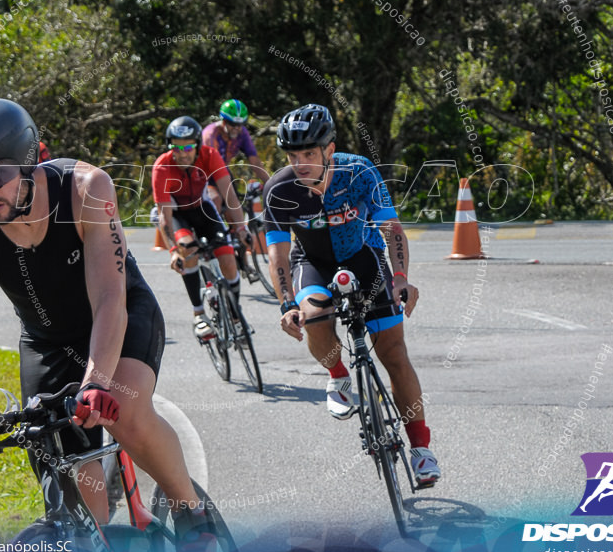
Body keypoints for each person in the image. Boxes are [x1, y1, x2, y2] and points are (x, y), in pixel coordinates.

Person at [0, 98, 216, 545]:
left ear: (30, 160)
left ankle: (192, 510)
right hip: (46, 340)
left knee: (125, 413)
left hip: (119, 315)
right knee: (74, 499)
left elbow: (110, 298)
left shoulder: (88, 187)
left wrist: (96, 382)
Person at [262, 104, 441, 486]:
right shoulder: (279, 189)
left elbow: (391, 227)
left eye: (309, 154)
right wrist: (286, 303)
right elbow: (276, 251)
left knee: (394, 353)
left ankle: (421, 449)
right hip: (312, 261)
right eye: (293, 156)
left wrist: (401, 278)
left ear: (330, 149)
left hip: (364, 257)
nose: (301, 163)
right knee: (313, 315)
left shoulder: (358, 171)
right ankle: (338, 375)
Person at [152, 116, 250, 340]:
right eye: (176, 146)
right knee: (188, 248)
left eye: (188, 146)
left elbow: (230, 195)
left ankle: (236, 316)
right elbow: (164, 216)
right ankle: (199, 314)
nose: (182, 152)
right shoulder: (162, 166)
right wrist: (173, 251)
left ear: (197, 144)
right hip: (177, 214)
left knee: (227, 257)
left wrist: (241, 228)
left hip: (201, 208)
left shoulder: (209, 156)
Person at [201, 99, 269, 211]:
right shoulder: (211, 134)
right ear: (223, 121)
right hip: (205, 173)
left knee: (233, 209)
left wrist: (269, 182)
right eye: (233, 124)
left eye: (240, 124)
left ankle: (235, 228)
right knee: (216, 200)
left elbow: (254, 161)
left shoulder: (242, 133)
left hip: (223, 171)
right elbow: (212, 166)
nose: (237, 128)